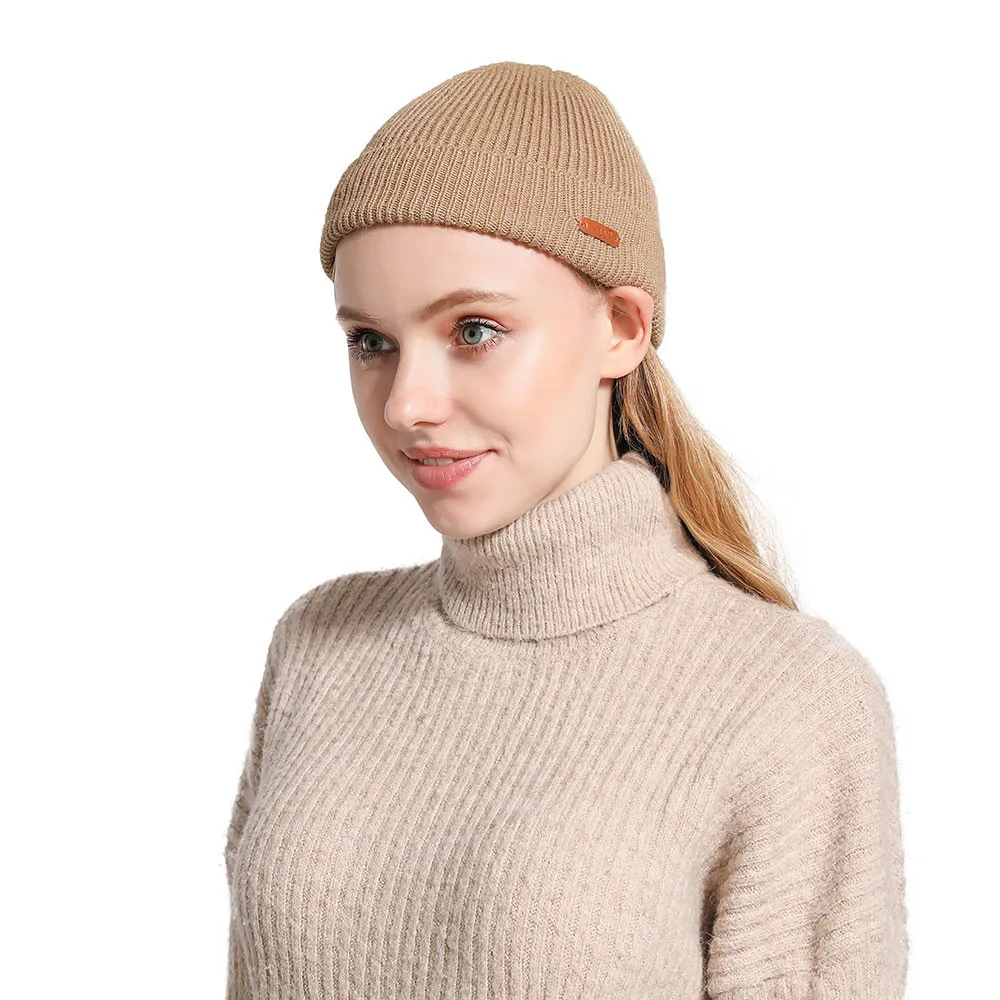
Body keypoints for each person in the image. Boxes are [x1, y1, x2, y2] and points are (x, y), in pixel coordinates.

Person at [223, 61, 909, 1000]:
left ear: (622, 327)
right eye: (370, 342)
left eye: (474, 330)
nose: (406, 404)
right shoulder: (319, 645)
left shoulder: (790, 697)